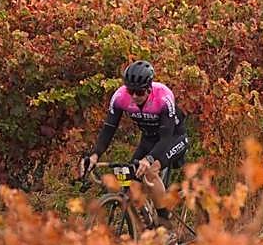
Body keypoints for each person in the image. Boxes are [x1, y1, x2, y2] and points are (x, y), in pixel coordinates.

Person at [80, 60, 189, 220]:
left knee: (151, 172)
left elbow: (166, 137)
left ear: (149, 88)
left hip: (173, 138)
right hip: (149, 139)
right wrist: (95, 154)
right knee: (132, 179)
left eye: (139, 92)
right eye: (131, 91)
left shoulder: (163, 97)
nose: (134, 96)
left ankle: (166, 224)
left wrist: (150, 159)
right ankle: (142, 227)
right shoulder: (120, 97)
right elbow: (109, 128)